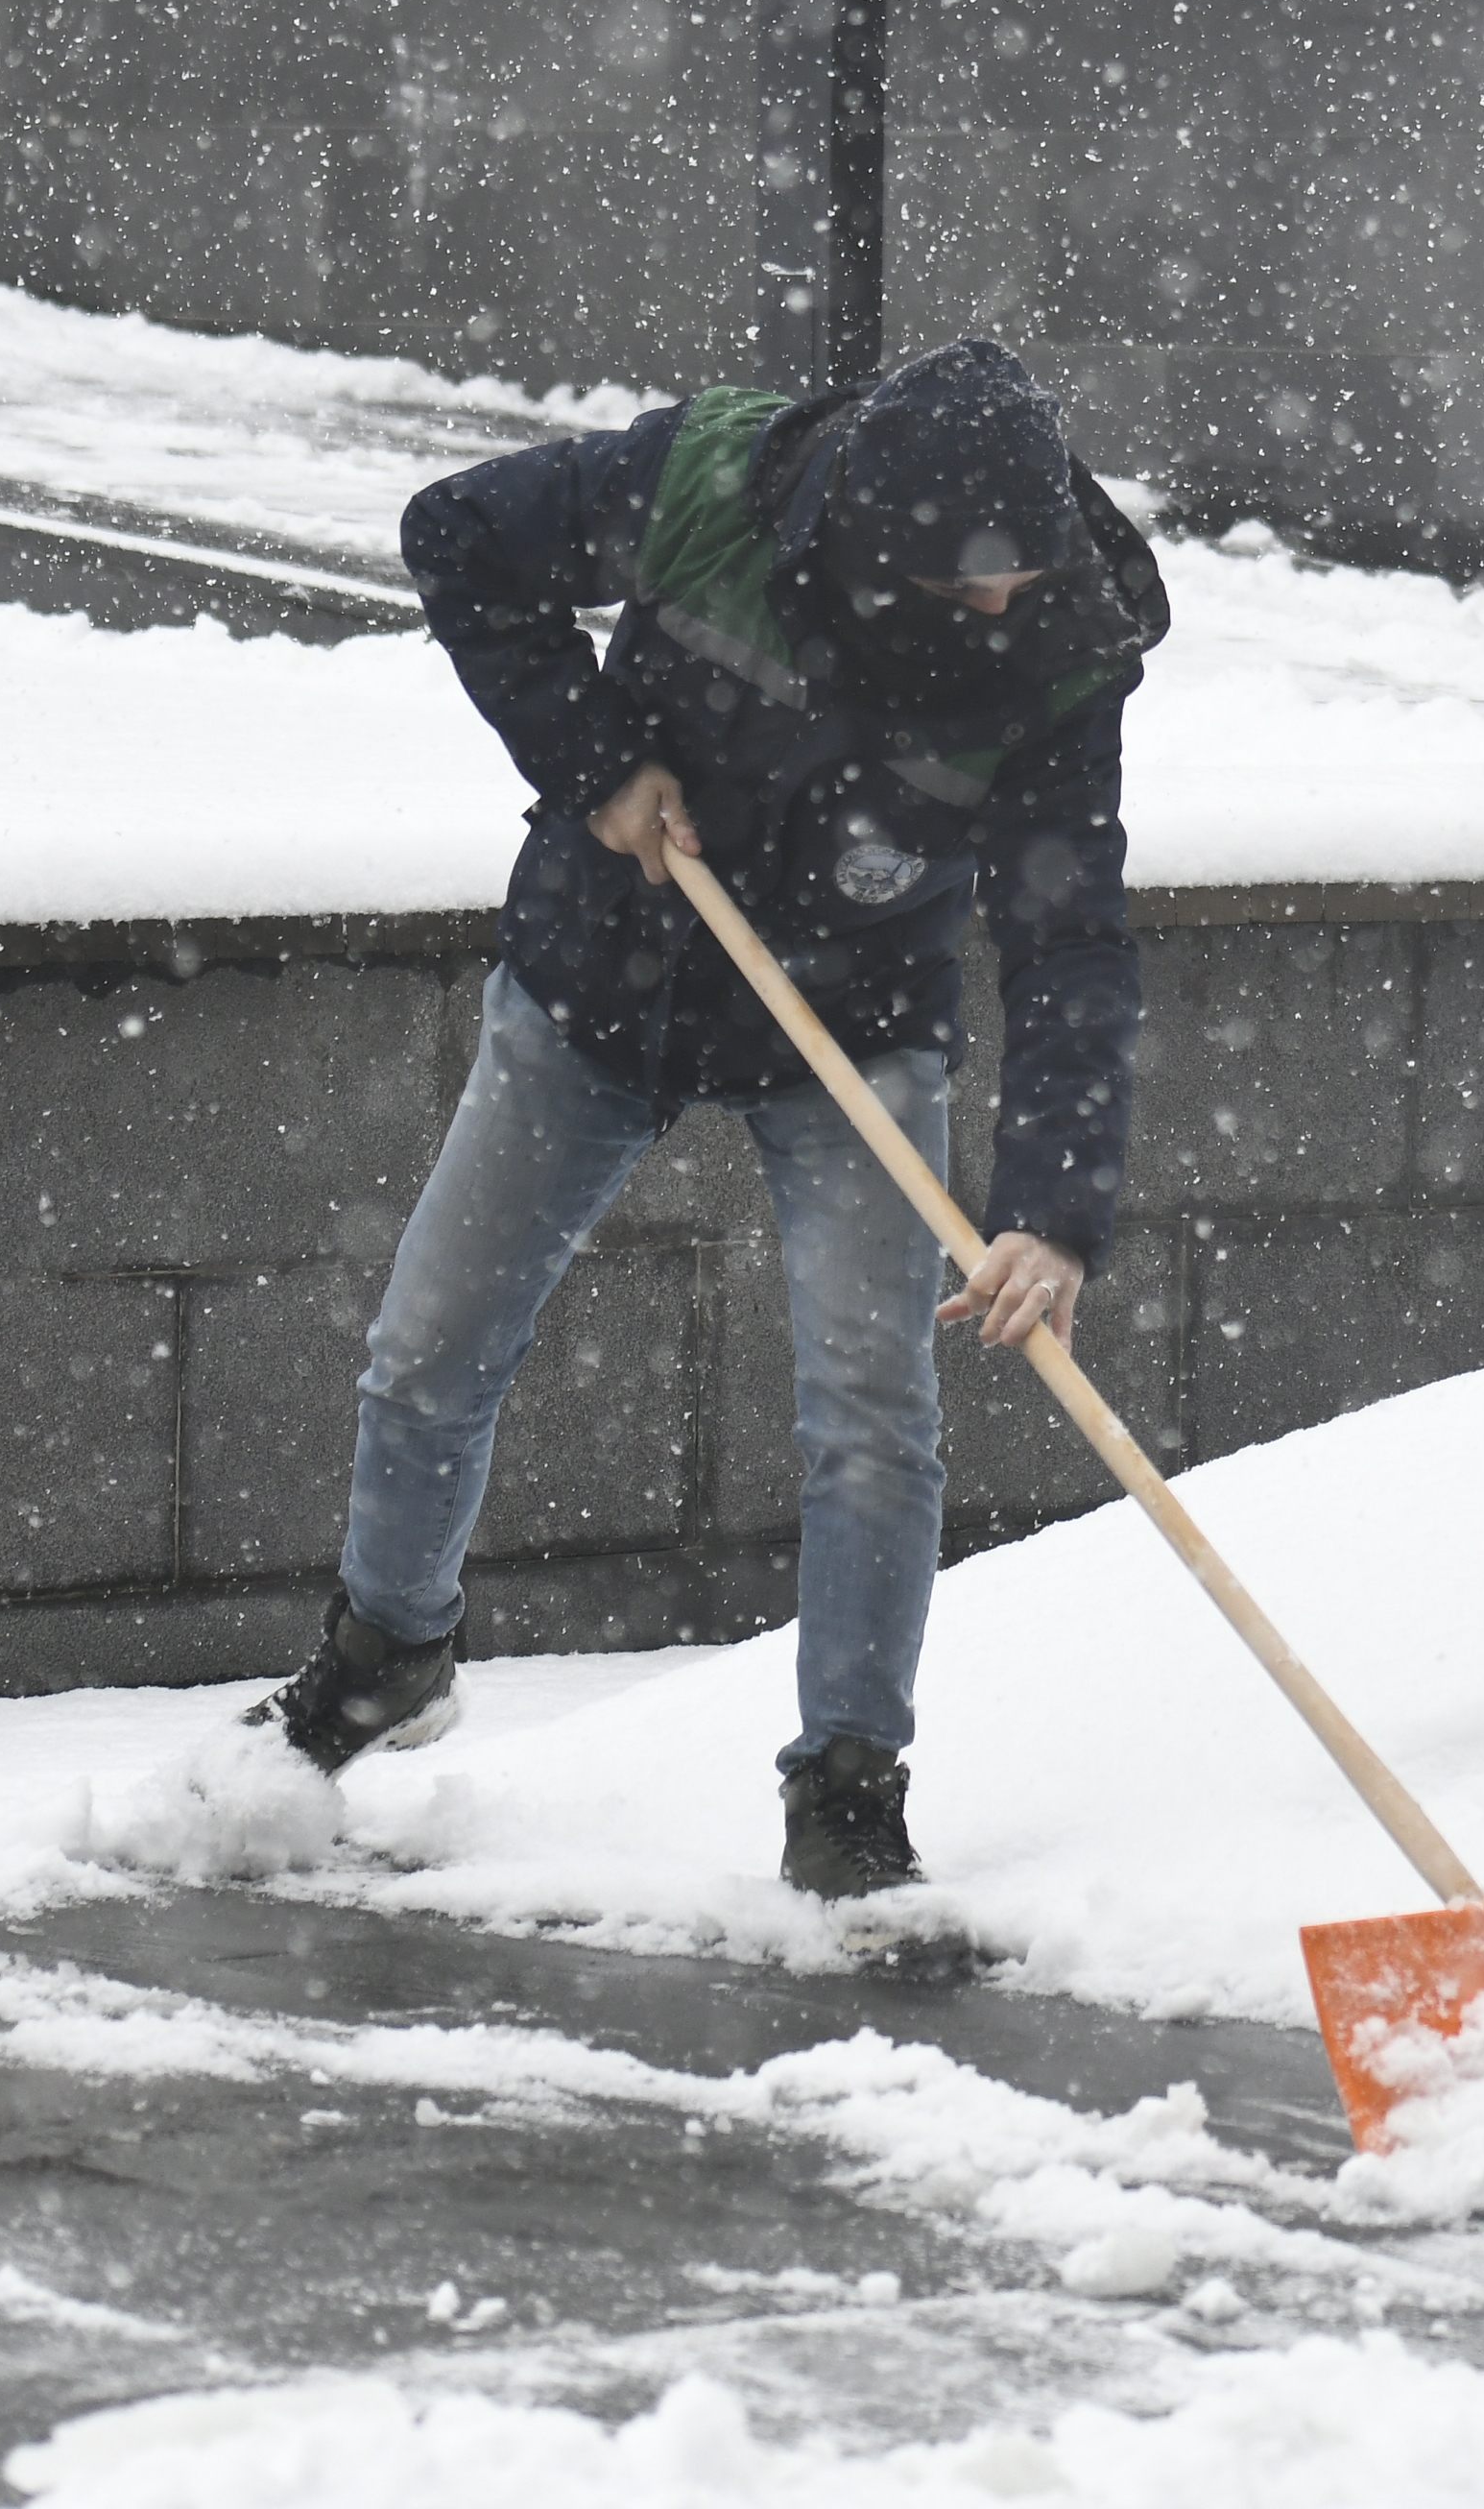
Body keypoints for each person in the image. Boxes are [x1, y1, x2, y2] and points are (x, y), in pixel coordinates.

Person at [252, 334, 1170, 1902]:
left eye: (1022, 573)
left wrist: (1052, 1209)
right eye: (968, 584)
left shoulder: (1059, 650)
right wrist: (600, 759)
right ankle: (388, 1653)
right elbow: (457, 536)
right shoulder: (710, 486)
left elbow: (1067, 935)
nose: (1002, 607)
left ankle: (849, 1787)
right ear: (873, 544)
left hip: (856, 1033)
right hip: (599, 978)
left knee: (872, 1416)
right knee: (429, 1350)